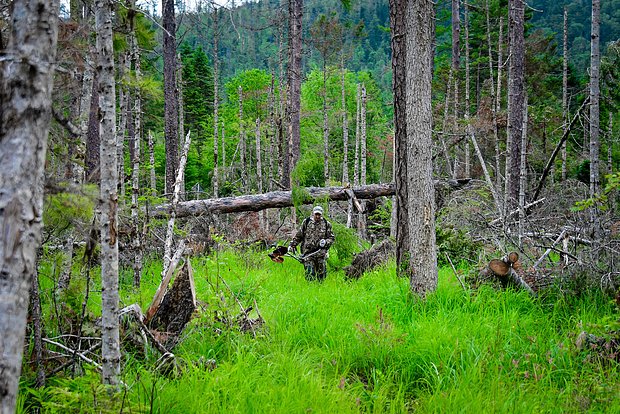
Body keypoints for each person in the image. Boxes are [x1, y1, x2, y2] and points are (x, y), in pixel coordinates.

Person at [288, 205, 335, 281]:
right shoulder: (306, 222)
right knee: (310, 275)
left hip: (321, 253)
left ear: (321, 214)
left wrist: (326, 242)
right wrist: (292, 245)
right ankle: (310, 289)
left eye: (319, 214)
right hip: (308, 253)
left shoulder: (326, 224)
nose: (317, 216)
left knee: (322, 276)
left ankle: (320, 290)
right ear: (313, 213)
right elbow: (299, 236)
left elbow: (331, 238)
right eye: (316, 214)